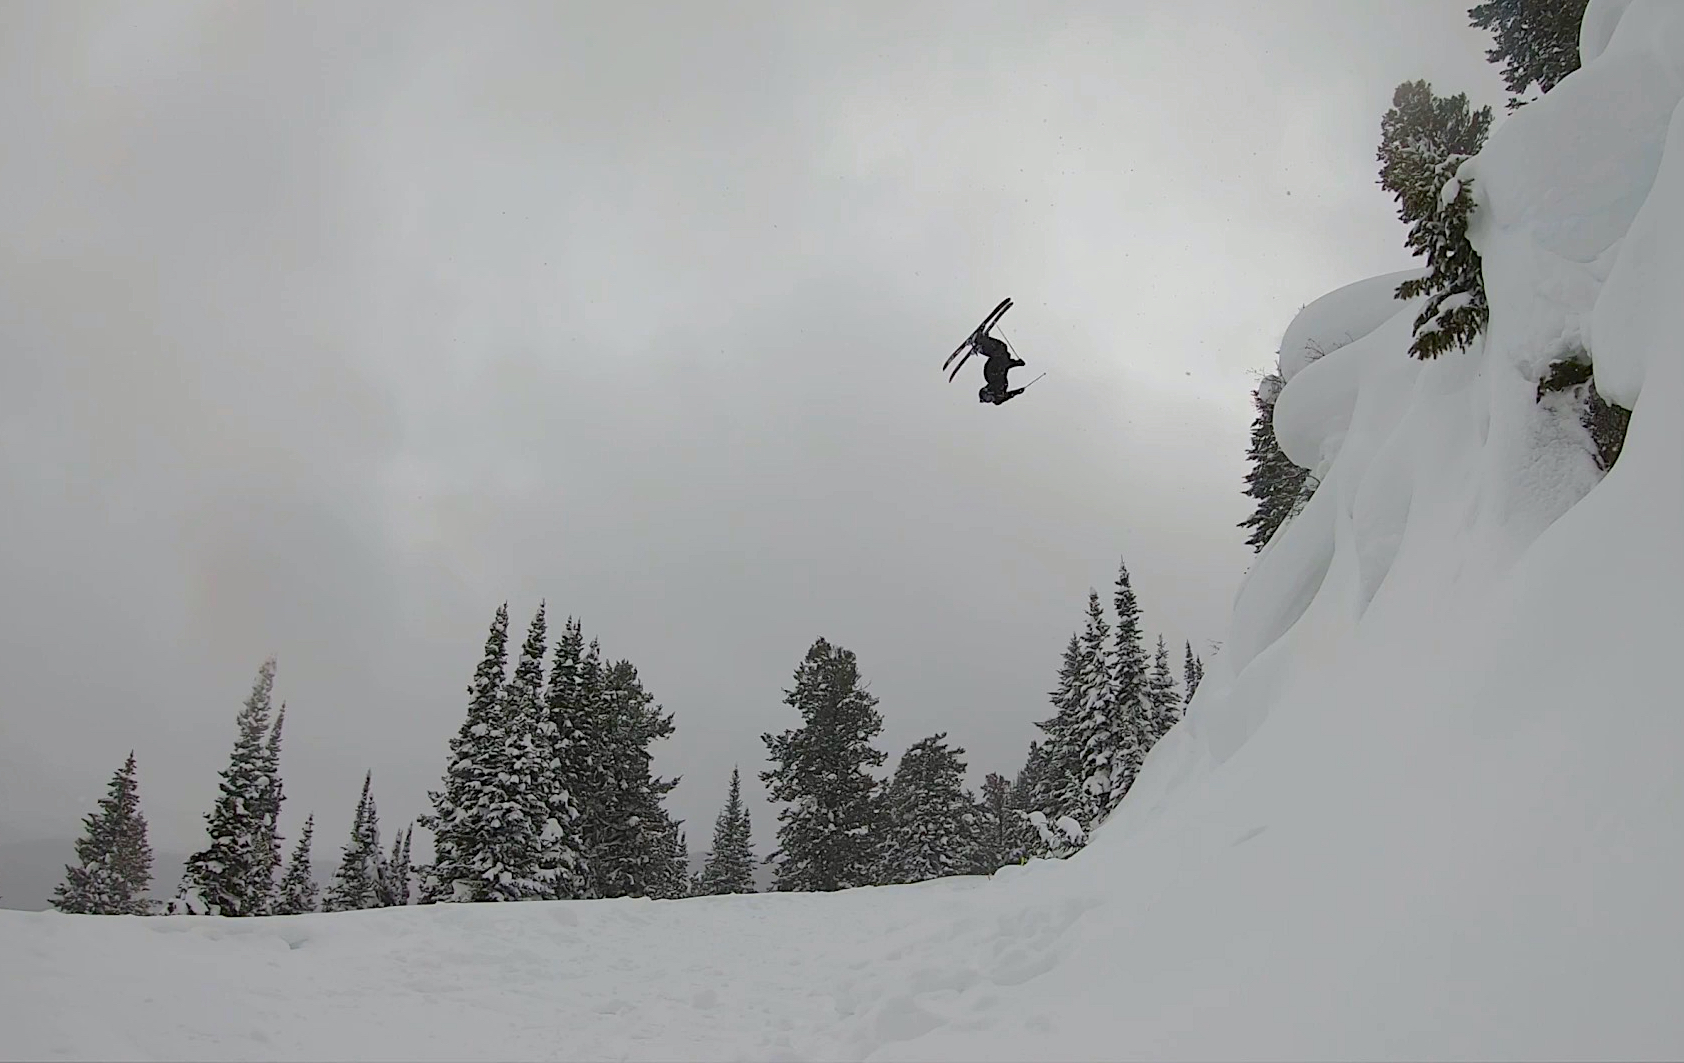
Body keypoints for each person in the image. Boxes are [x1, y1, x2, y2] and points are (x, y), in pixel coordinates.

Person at [975, 333, 1026, 404]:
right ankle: (983, 343)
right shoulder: (999, 392)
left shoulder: (998, 394)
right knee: (1001, 350)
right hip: (994, 370)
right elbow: (1008, 395)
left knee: (1000, 351)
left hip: (992, 372)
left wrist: (1017, 363)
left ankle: (982, 344)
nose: (991, 399)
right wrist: (1018, 363)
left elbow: (1006, 364)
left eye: (989, 399)